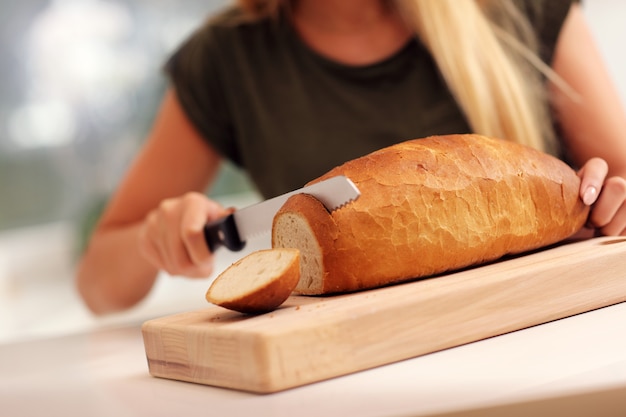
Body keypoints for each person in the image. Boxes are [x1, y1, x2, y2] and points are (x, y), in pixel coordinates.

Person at [76, 0, 626, 315]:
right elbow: (97, 286)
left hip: (545, 330)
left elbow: (621, 187)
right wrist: (159, 237)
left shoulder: (518, 7)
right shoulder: (228, 59)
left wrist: (610, 204)